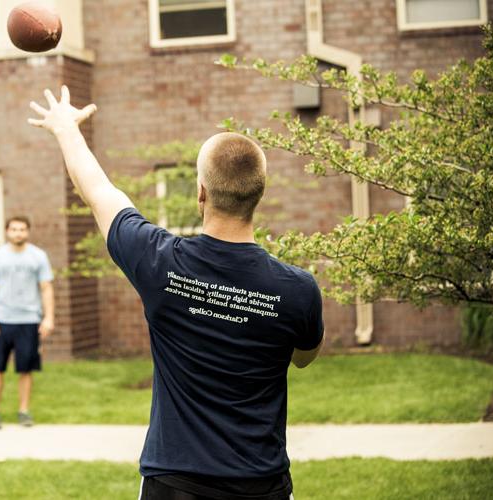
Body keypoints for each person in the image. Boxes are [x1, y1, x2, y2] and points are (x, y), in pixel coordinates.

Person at [28, 87, 324, 500]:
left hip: (174, 484)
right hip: (262, 485)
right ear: (259, 193)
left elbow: (98, 191)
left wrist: (66, 129)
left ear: (200, 192)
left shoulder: (160, 263)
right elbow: (304, 358)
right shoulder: (298, 290)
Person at [0, 215, 55, 429]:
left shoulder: (38, 256)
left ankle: (24, 411)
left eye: (22, 229)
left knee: (26, 369)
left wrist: (48, 318)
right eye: (14, 229)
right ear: (7, 231)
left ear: (28, 232)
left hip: (29, 320)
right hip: (1, 321)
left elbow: (46, 288)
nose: (18, 233)